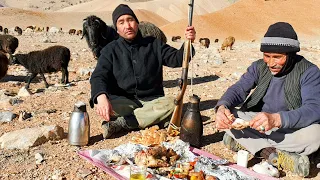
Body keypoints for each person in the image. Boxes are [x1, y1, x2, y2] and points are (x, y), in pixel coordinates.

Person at [215, 22, 320, 177]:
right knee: (230, 115)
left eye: (277, 57)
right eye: (267, 56)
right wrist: (222, 107)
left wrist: (277, 119)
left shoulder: (309, 72)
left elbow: (314, 109)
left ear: (291, 55)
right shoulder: (258, 67)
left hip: (289, 128)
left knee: (315, 134)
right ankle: (278, 155)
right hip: (256, 123)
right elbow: (238, 89)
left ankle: (251, 145)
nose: (271, 63)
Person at [89, 4, 196, 139]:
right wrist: (101, 96)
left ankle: (123, 123)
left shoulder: (154, 44)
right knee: (103, 102)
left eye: (130, 20)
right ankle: (150, 118)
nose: (127, 25)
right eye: (121, 22)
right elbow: (98, 76)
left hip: (152, 100)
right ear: (117, 29)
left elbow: (177, 59)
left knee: (172, 103)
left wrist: (188, 42)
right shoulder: (110, 50)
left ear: (137, 23)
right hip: (124, 101)